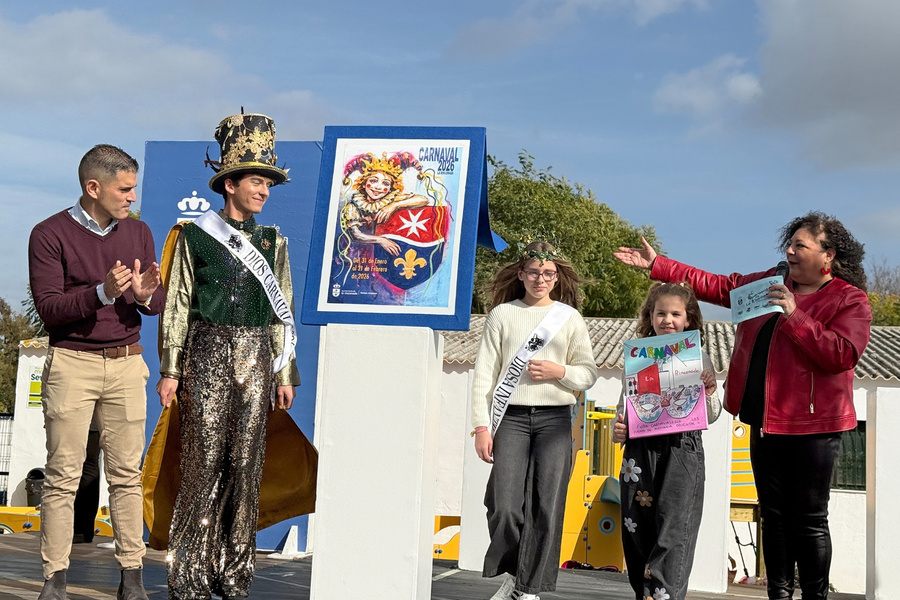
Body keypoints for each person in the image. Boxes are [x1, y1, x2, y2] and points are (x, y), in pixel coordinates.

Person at [613, 211, 871, 600]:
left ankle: (814, 595)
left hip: (814, 430)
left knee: (810, 522)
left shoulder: (849, 300)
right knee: (774, 519)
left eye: (800, 245)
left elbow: (842, 355)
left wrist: (795, 314)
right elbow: (721, 287)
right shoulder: (771, 283)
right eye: (790, 244)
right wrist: (658, 264)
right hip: (763, 423)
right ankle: (779, 594)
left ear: (828, 255)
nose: (790, 251)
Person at [155, 112, 301, 600]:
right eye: (256, 181)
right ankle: (190, 574)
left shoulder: (273, 241)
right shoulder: (193, 236)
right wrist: (171, 368)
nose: (264, 190)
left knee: (246, 465)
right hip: (208, 353)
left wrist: (285, 370)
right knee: (203, 463)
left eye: (267, 183)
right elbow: (176, 304)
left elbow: (283, 309)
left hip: (258, 356)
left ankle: (234, 573)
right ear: (230, 184)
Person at [28, 144, 163, 600]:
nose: (131, 197)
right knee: (63, 476)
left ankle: (132, 577)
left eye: (133, 188)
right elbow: (49, 309)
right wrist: (102, 293)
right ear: (94, 187)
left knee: (126, 475)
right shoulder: (49, 234)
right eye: (124, 189)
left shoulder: (140, 232)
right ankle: (55, 580)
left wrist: (145, 295)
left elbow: (157, 302)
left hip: (127, 364)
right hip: (71, 364)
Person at [471, 240, 599, 600]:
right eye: (533, 272)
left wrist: (560, 371)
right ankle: (515, 570)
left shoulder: (568, 318)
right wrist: (482, 427)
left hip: (555, 420)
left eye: (547, 273)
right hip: (509, 419)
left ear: (556, 277)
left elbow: (587, 373)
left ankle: (528, 588)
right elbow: (484, 374)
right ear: (521, 274)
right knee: (504, 505)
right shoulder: (502, 315)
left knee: (547, 505)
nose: (540, 279)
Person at [612, 282, 722, 600]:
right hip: (639, 452)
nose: (667, 320)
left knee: (674, 529)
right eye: (661, 313)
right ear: (651, 315)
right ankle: (642, 592)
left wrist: (711, 391)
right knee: (636, 527)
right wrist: (620, 429)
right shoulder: (637, 355)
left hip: (681, 448)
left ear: (688, 319)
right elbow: (626, 409)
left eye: (675, 314)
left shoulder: (699, 357)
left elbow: (711, 415)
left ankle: (661, 596)